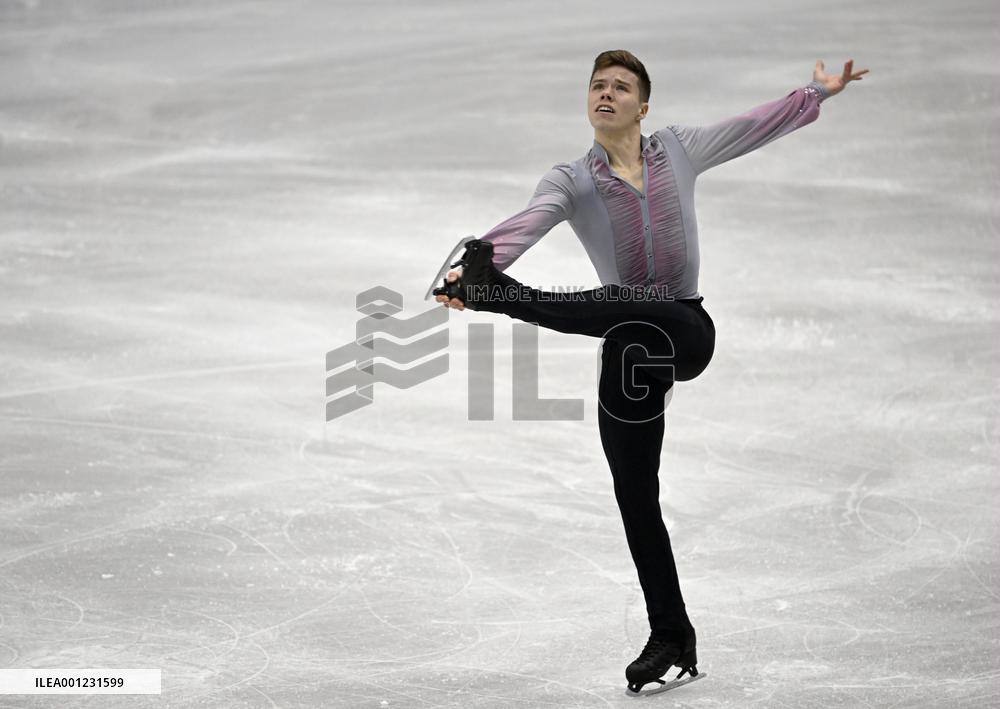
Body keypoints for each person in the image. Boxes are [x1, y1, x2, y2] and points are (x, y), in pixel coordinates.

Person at [434, 49, 868, 692]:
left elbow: (751, 126)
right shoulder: (571, 180)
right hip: (631, 351)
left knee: (634, 304)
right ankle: (671, 633)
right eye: (597, 86)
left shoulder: (680, 150)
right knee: (635, 492)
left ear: (643, 105)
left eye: (620, 87)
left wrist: (816, 94)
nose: (605, 94)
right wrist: (461, 271)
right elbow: (519, 229)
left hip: (687, 332)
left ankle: (496, 297)